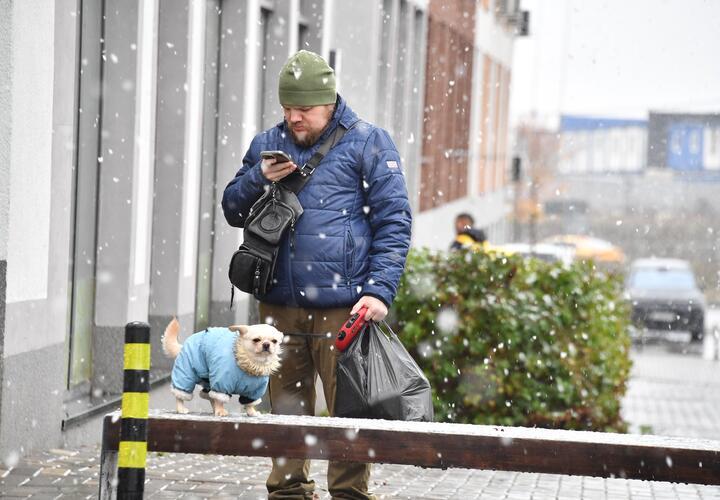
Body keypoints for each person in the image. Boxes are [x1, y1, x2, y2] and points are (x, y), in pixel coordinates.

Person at [222, 50, 412, 500]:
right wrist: (258, 179)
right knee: (286, 413)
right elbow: (232, 209)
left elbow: (394, 222)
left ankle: (348, 496)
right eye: (287, 108)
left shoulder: (368, 142)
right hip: (278, 308)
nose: (293, 118)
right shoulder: (267, 143)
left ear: (329, 103)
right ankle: (288, 494)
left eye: (303, 109)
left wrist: (379, 291)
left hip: (343, 308)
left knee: (348, 415)